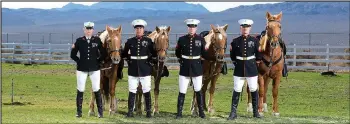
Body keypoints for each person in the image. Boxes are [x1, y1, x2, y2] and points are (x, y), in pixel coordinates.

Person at [121, 19, 157, 118]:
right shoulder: (129, 41)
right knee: (132, 90)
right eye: (137, 28)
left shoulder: (148, 41)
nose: (139, 30)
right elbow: (124, 54)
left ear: (143, 29)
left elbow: (154, 54)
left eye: (140, 28)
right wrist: (129, 60)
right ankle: (130, 111)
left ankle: (148, 111)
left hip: (145, 69)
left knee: (146, 90)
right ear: (135, 30)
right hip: (133, 69)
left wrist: (150, 62)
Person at [228, 19, 262, 120]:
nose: (245, 29)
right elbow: (232, 56)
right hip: (239, 69)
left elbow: (259, 55)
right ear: (241, 28)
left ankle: (256, 112)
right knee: (237, 89)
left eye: (247, 27)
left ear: (250, 28)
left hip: (251, 68)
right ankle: (233, 113)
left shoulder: (255, 41)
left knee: (253, 89)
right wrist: (237, 63)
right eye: (243, 27)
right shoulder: (235, 41)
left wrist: (255, 64)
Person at [70, 21, 106, 118]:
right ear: (84, 29)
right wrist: (79, 61)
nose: (89, 30)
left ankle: (100, 113)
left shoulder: (97, 40)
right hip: (82, 69)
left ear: (93, 30)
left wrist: (98, 61)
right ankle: (79, 112)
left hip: (95, 69)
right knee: (80, 89)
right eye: (87, 29)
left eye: (90, 29)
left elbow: (104, 53)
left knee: (96, 89)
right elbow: (72, 54)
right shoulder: (79, 41)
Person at [175, 19, 208, 119]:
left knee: (198, 90)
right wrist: (182, 60)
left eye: (193, 27)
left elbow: (204, 54)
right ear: (188, 28)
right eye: (190, 27)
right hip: (184, 67)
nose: (191, 28)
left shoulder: (201, 39)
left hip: (197, 68)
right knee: (182, 91)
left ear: (196, 28)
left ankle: (201, 112)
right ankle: (179, 113)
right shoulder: (182, 39)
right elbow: (177, 52)